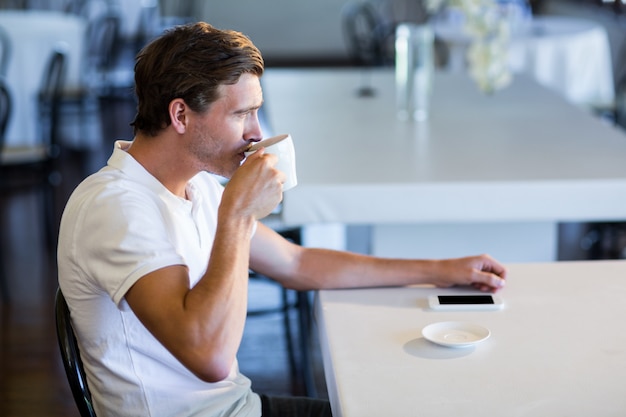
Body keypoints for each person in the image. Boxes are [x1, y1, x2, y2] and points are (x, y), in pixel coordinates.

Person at [57, 22, 507, 417]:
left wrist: (441, 270)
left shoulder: (195, 187)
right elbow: (210, 358)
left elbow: (296, 263)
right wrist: (238, 212)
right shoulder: (115, 208)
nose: (256, 132)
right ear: (180, 114)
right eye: (242, 113)